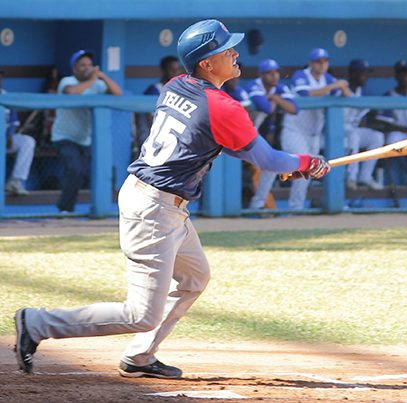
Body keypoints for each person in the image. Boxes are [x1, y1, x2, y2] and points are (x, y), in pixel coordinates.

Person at [14, 19, 330, 379]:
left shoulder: (177, 85)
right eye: (227, 50)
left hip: (160, 203)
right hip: (155, 208)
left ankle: (140, 355)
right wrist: (307, 163)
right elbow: (267, 159)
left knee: (195, 278)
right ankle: (37, 323)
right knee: (140, 314)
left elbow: (224, 144)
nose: (235, 54)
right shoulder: (222, 106)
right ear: (207, 64)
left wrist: (284, 164)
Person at [50, 50, 122, 213]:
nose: (87, 68)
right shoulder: (67, 81)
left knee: (97, 171)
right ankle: (65, 208)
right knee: (75, 169)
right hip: (64, 136)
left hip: (85, 139)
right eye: (82, 65)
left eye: (89, 65)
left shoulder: (96, 84)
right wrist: (93, 79)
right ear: (74, 68)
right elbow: (71, 92)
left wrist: (103, 76)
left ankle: (98, 210)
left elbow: (118, 93)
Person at [281, 48, 351, 209]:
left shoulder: (327, 79)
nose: (321, 65)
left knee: (310, 171)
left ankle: (300, 206)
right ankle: (294, 208)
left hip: (314, 135)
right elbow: (305, 93)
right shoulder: (301, 75)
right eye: (318, 62)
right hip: (294, 131)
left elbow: (348, 96)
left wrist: (342, 87)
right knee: (301, 167)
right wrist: (335, 85)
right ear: (311, 63)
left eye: (324, 61)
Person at [247, 59, 298, 210]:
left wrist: (275, 98)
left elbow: (294, 108)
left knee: (271, 165)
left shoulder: (278, 88)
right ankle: (255, 206)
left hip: (257, 136)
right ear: (261, 75)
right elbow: (266, 108)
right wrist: (275, 100)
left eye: (276, 72)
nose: (274, 76)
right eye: (269, 73)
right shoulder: (254, 86)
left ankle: (256, 206)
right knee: (267, 166)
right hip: (243, 135)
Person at [373, 60, 407, 185]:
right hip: (401, 134)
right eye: (401, 73)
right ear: (396, 76)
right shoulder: (389, 96)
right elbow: (386, 124)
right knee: (391, 140)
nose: (404, 76)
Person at [343, 59, 384, 191]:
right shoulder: (341, 89)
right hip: (336, 132)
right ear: (352, 74)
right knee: (353, 136)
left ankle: (365, 177)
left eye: (366, 73)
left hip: (352, 130)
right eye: (361, 73)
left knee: (377, 137)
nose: (365, 76)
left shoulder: (363, 93)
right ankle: (351, 178)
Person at [1, 70, 36, 196]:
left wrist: (9, 135)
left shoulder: (6, 95)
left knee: (27, 141)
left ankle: (15, 181)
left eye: (1, 79)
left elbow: (13, 122)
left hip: (4, 139)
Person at [135, 56, 182, 150]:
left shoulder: (179, 91)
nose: (175, 72)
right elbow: (151, 121)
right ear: (163, 70)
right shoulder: (154, 90)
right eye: (171, 69)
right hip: (151, 141)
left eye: (176, 69)